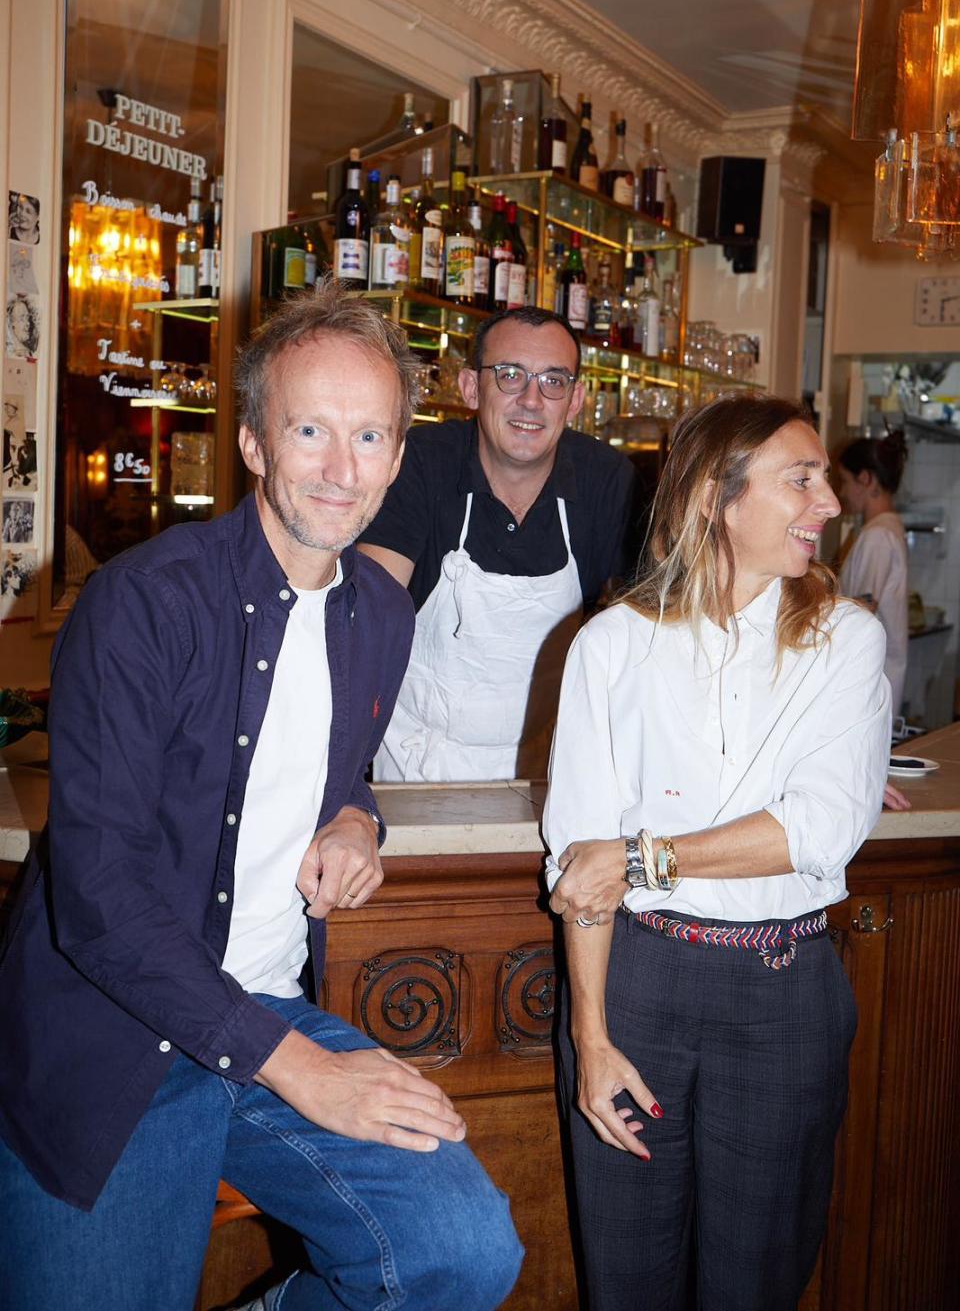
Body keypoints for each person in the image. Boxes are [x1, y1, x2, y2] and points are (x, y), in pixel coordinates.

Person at [0, 284, 523, 1311]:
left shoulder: (379, 611)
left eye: (370, 434)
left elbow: (327, 763)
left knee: (460, 1252)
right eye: (311, 430)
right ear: (251, 442)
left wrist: (356, 814)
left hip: (262, 1013)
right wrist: (302, 1069)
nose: (342, 467)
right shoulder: (142, 603)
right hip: (113, 1040)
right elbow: (98, 900)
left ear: (400, 455)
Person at [544, 395, 889, 1311]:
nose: (829, 500)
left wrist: (641, 858)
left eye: (824, 476)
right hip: (637, 988)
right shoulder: (609, 644)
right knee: (627, 1278)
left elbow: (820, 828)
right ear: (714, 495)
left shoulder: (845, 640)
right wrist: (591, 1035)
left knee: (757, 1285)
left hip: (783, 991)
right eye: (800, 478)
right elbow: (581, 866)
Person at [360, 306, 636, 781]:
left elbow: (641, 636)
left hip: (554, 771)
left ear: (575, 400)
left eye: (553, 381)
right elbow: (365, 622)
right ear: (471, 388)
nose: (531, 400)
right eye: (510, 376)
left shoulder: (607, 481)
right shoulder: (419, 466)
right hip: (420, 768)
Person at [835, 430, 909, 717]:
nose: (841, 492)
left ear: (865, 479)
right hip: (877, 677)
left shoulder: (877, 536)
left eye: (844, 480)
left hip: (868, 681)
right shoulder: (887, 530)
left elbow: (861, 611)